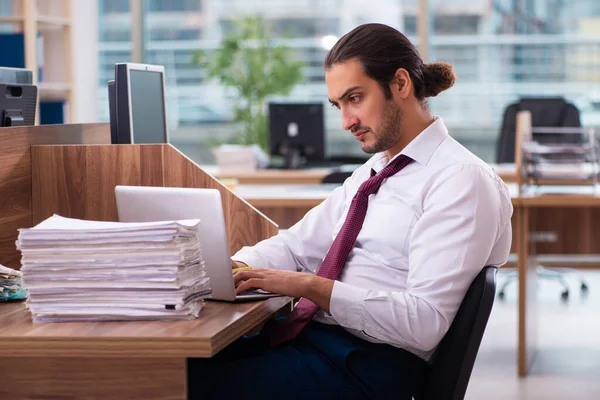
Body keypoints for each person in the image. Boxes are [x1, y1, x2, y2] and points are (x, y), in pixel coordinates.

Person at [188, 23, 512, 400]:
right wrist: (232, 269)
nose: (346, 122)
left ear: (401, 84)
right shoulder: (374, 171)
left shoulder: (460, 180)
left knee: (180, 385)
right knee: (173, 367)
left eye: (355, 99)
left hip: (370, 367)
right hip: (318, 343)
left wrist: (310, 287)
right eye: (338, 105)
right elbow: (296, 246)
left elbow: (425, 322)